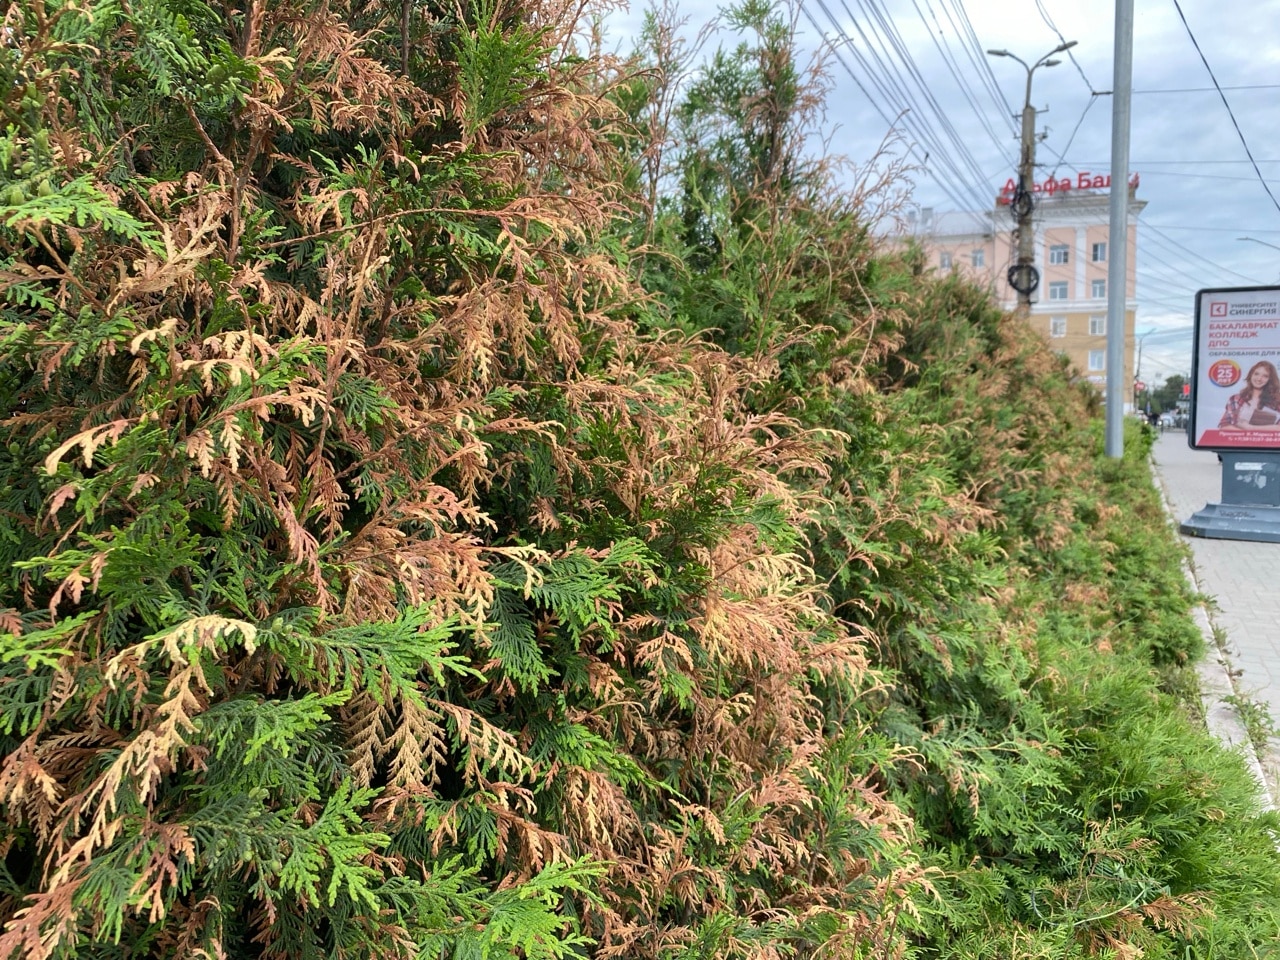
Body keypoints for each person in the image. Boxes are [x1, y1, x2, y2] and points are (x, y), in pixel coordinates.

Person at [1218, 360, 1280, 430]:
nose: (1259, 379)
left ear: (1270, 379)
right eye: (1256, 374)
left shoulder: (1276, 401)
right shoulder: (1236, 399)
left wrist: (1251, 428)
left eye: (1265, 376)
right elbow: (1224, 425)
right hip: (1239, 440)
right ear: (1251, 375)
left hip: (1267, 440)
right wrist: (1246, 435)